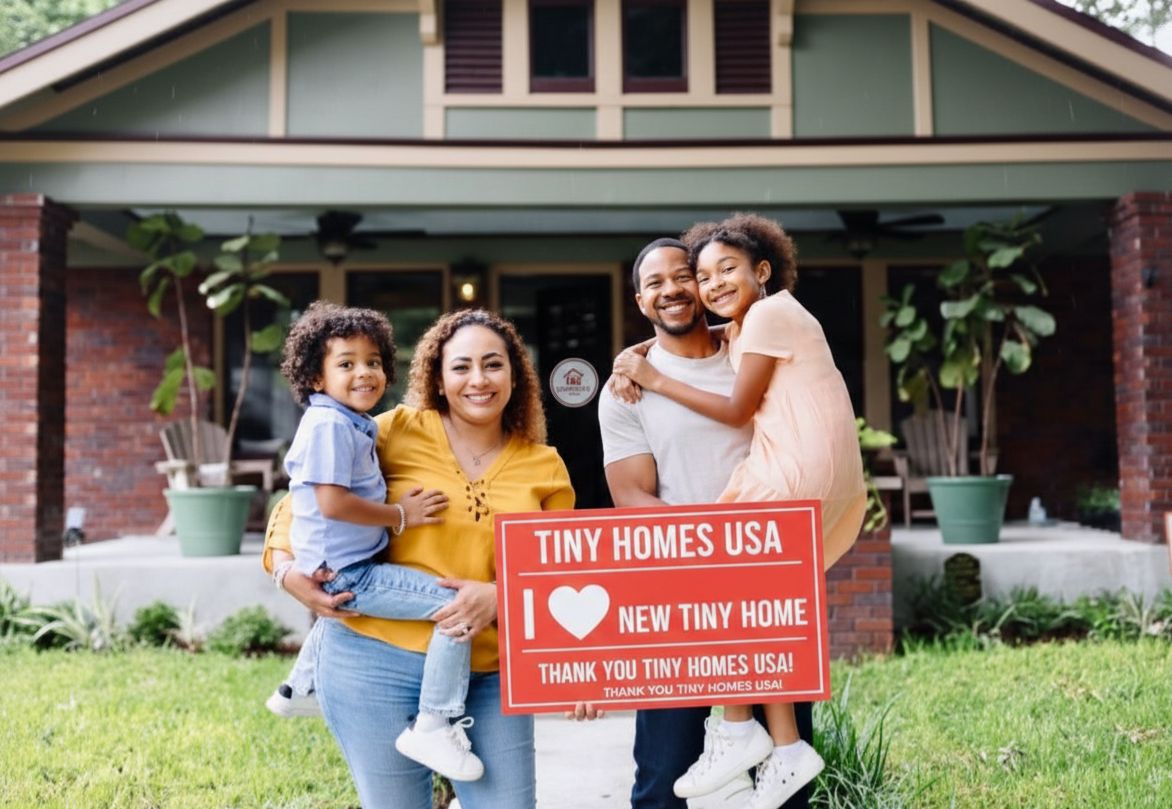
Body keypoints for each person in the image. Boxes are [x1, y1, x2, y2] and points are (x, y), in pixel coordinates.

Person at [264, 308, 575, 809]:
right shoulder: (393, 431)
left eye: (493, 365)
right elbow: (300, 501)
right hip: (372, 663)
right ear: (438, 376)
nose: (478, 379)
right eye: (461, 367)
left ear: (515, 375)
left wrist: (502, 597)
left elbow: (558, 576)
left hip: (488, 672)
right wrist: (283, 569)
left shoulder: (545, 466)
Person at [612, 215, 866, 809]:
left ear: (762, 271)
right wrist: (641, 361)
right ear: (640, 299)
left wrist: (651, 369)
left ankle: (735, 730)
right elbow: (627, 494)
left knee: (735, 577)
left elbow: (734, 406)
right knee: (663, 777)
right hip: (678, 583)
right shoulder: (634, 383)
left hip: (781, 495)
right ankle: (768, 741)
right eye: (670, 280)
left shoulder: (756, 328)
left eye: (696, 274)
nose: (687, 286)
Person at [264, 301, 490, 780]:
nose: (363, 373)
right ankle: (435, 721)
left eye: (372, 362)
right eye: (346, 364)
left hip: (346, 561)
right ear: (315, 378)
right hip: (351, 570)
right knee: (453, 609)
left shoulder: (351, 422)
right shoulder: (333, 425)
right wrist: (399, 516)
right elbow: (326, 502)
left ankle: (297, 686)